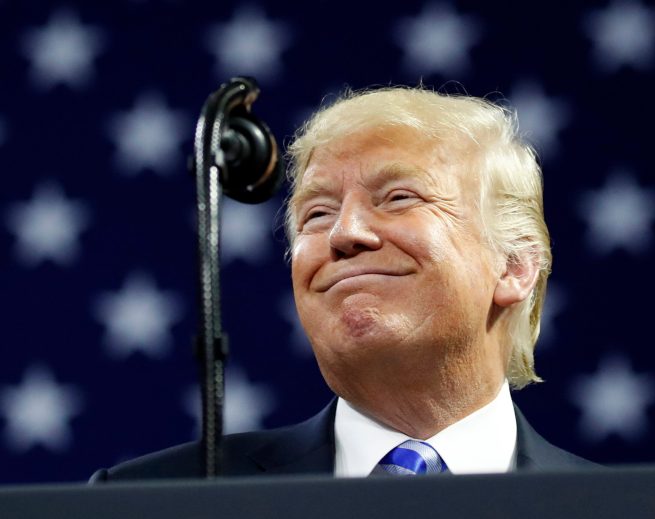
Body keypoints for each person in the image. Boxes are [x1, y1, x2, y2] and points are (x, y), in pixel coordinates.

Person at [90, 86, 594, 482]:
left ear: (513, 265)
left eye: (398, 198)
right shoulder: (148, 500)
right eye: (317, 212)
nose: (345, 233)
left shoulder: (638, 510)